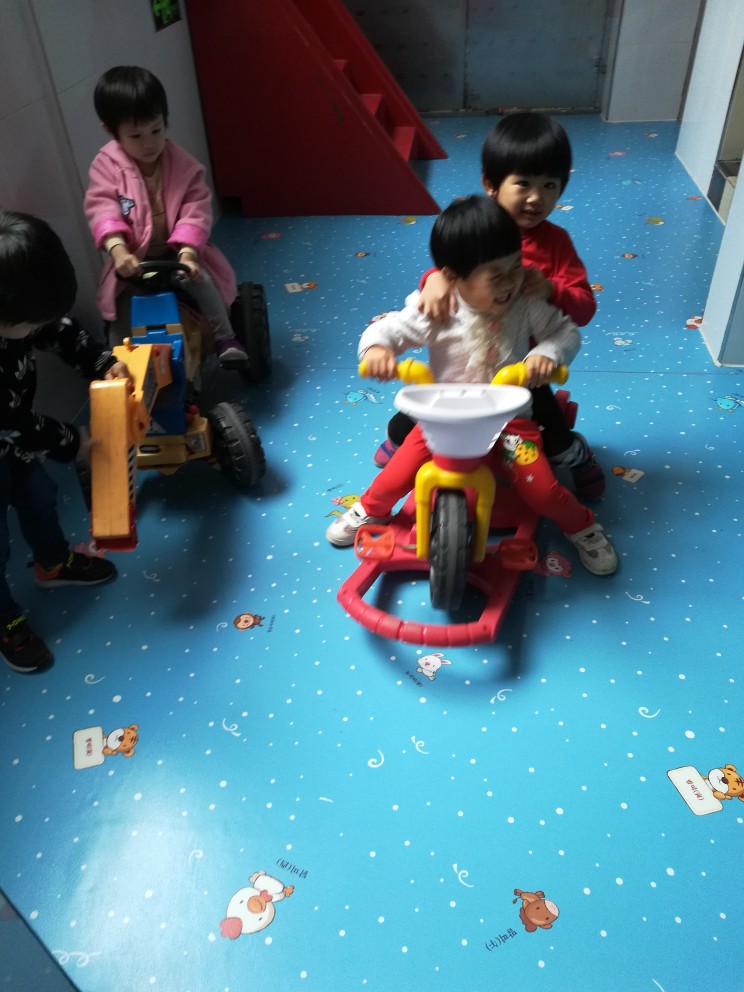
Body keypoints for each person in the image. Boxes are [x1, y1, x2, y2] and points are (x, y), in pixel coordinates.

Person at [326, 196, 617, 577]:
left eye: (515, 268)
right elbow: (388, 329)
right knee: (394, 477)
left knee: (543, 491)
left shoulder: (525, 303)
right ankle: (369, 510)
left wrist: (545, 355)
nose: (510, 283)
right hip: (444, 423)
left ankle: (583, 527)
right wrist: (377, 349)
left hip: (510, 424)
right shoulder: (439, 307)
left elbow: (565, 332)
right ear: (452, 277)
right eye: (496, 276)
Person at [375, 112, 605, 502]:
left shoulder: (557, 244)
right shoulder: (476, 228)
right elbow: (453, 271)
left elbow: (583, 311)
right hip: (464, 365)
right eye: (524, 183)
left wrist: (551, 289)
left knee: (554, 443)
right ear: (491, 184)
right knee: (404, 429)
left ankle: (577, 454)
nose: (536, 198)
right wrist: (433, 279)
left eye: (550, 185)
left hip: (522, 369)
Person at [0, 208, 127, 674]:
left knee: (39, 497)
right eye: (31, 324)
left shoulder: (16, 308)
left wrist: (101, 362)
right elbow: (16, 420)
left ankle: (52, 563)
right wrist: (74, 442)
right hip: (11, 430)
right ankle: (6, 620)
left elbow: (58, 329)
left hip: (11, 445)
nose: (39, 329)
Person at [84, 65, 247, 366]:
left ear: (165, 121)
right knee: (120, 307)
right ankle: (119, 361)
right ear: (111, 131)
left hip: (177, 254)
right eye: (136, 135)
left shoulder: (182, 165)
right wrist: (118, 251)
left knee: (202, 281)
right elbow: (102, 208)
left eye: (156, 130)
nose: (149, 143)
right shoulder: (106, 166)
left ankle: (225, 337)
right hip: (133, 260)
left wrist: (188, 253)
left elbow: (195, 209)